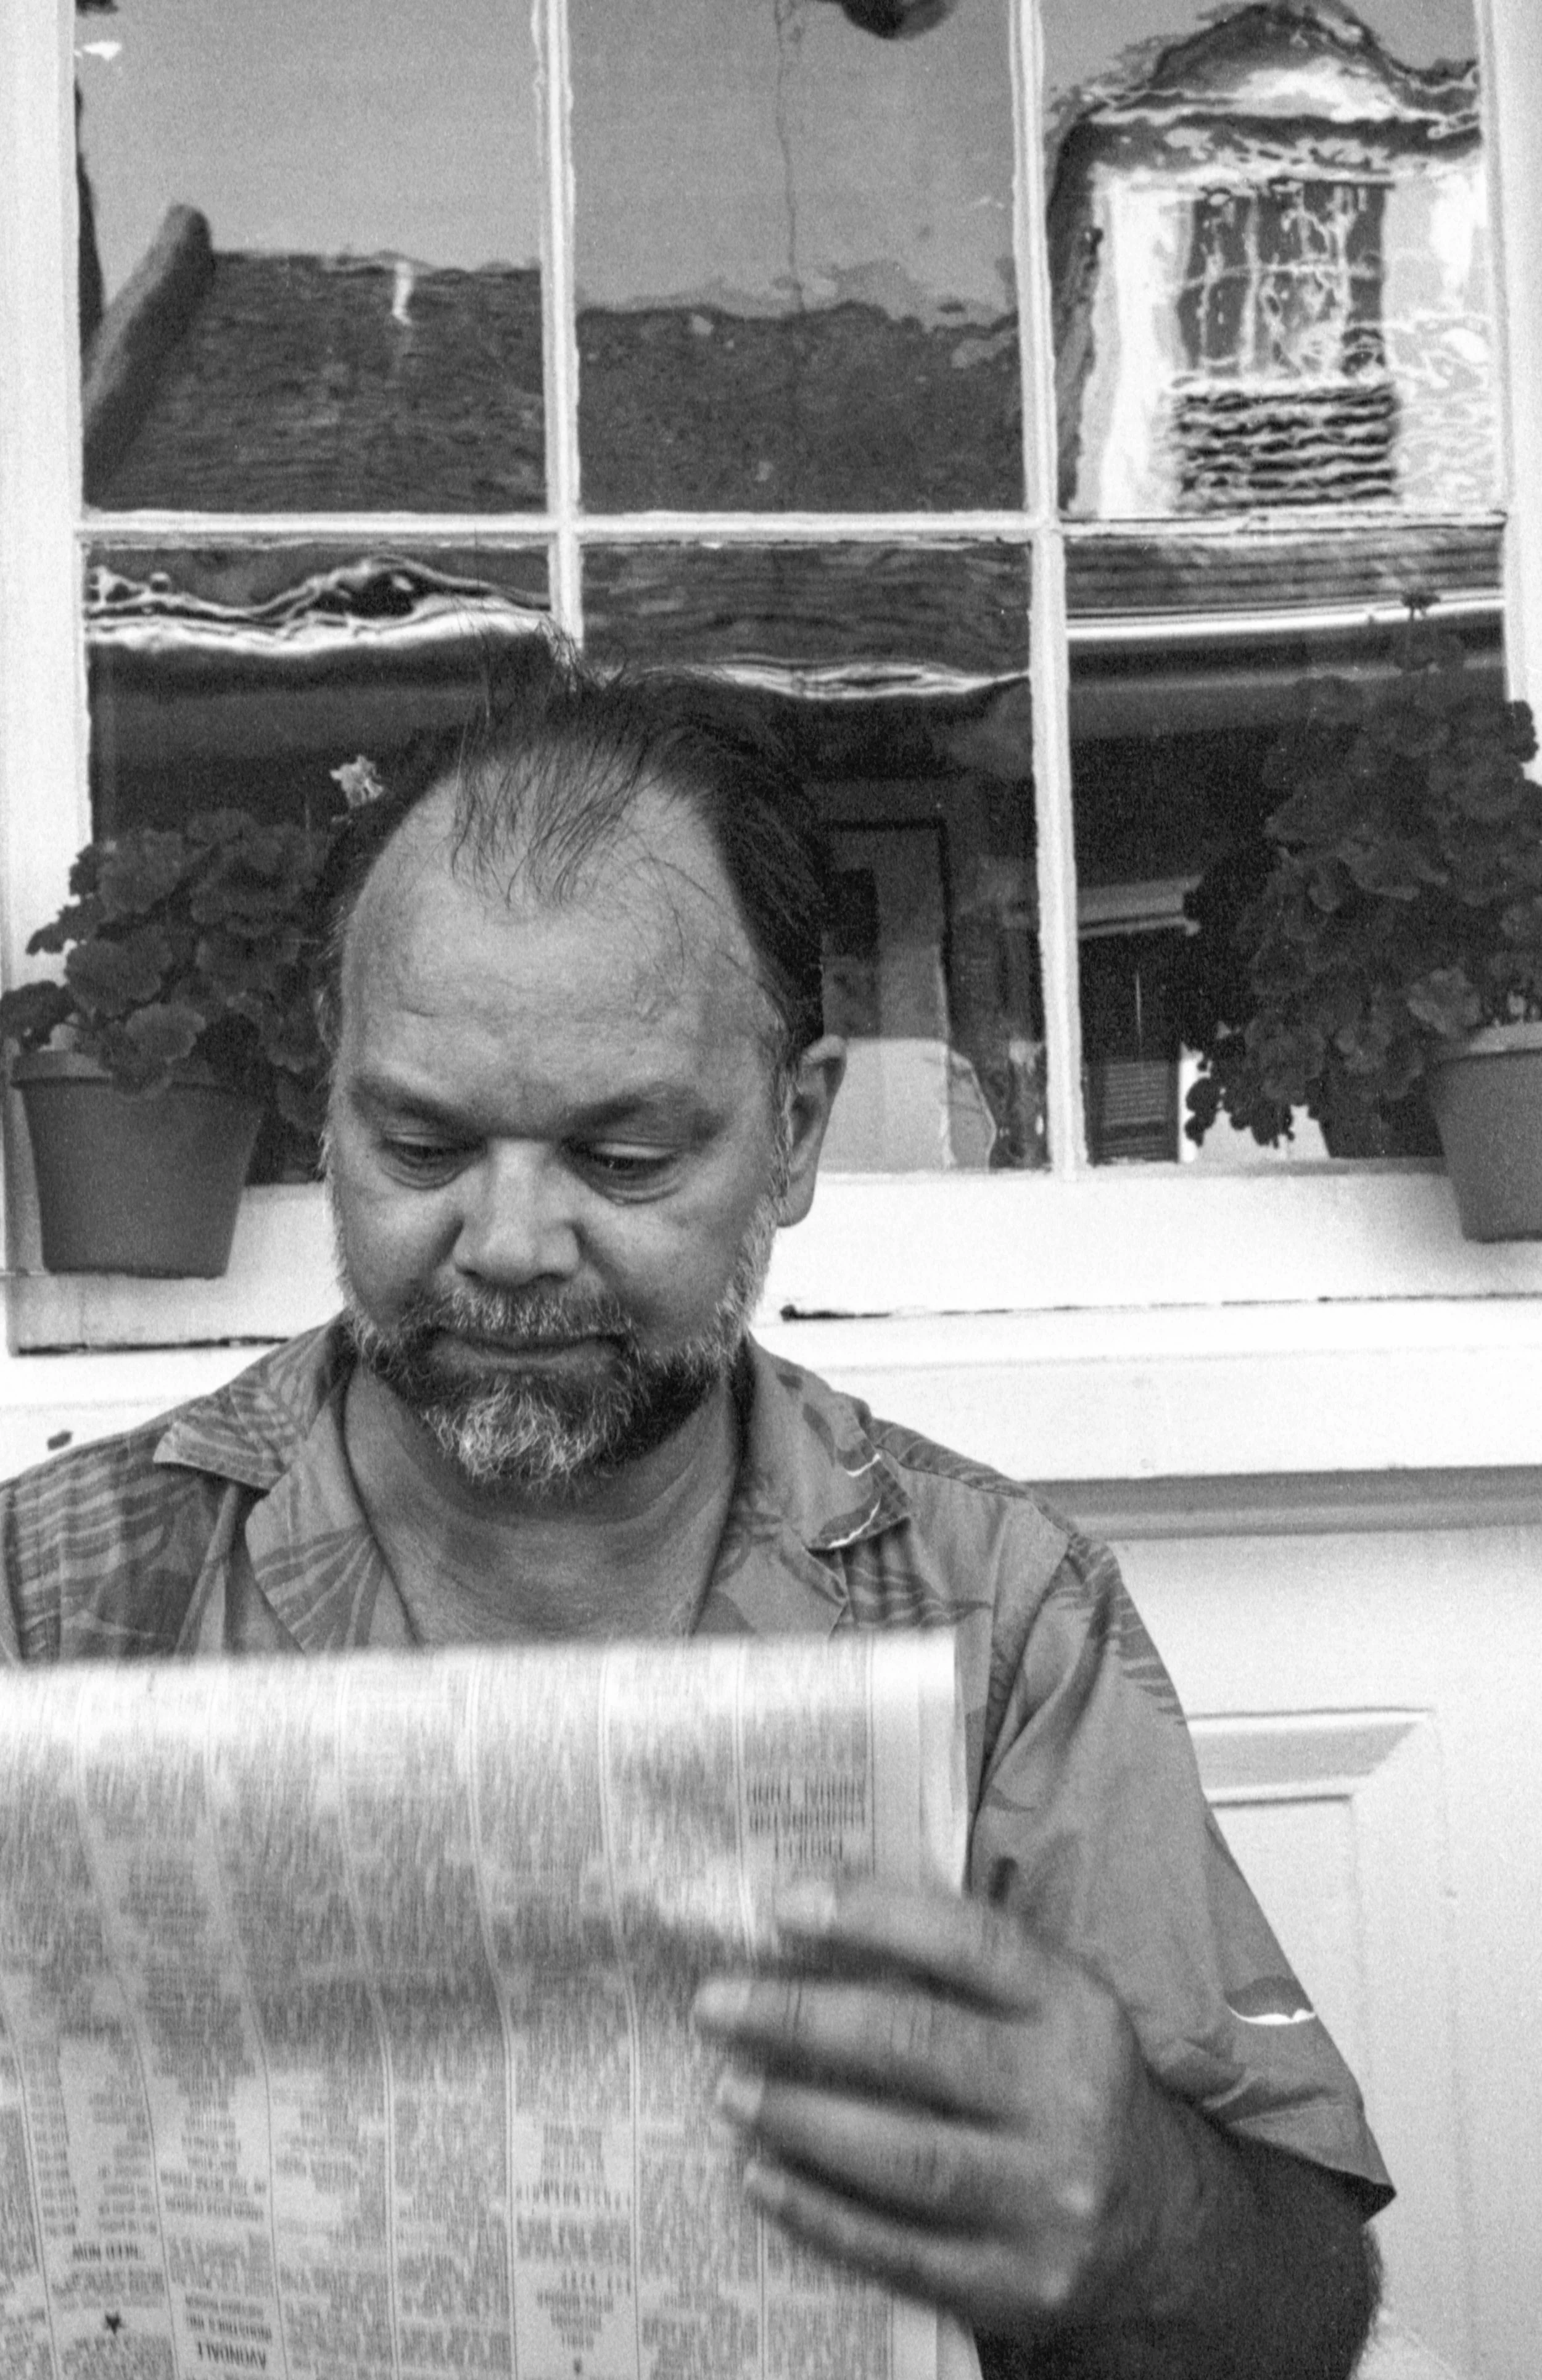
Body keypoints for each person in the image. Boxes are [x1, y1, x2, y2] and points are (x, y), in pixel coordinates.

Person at [1, 653, 1390, 2378]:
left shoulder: (988, 1617)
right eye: (421, 1145)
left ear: (794, 1133)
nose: (507, 1243)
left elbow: (1299, 2313)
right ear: (330, 1101)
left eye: (625, 1157)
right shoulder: (51, 1605)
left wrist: (1138, 2207)